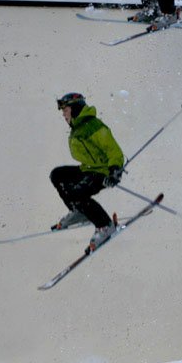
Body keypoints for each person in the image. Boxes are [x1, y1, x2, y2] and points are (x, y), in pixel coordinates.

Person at [50, 93, 125, 250]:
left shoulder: (92, 125)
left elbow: (113, 150)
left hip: (102, 171)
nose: (63, 114)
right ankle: (79, 211)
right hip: (88, 169)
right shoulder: (77, 128)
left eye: (66, 110)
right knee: (57, 175)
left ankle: (105, 225)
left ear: (75, 108)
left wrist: (114, 170)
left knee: (78, 192)